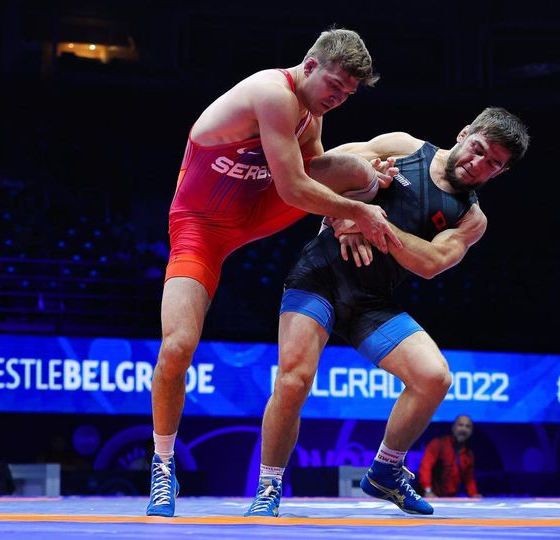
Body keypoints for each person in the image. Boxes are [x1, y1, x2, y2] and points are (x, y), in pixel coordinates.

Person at [147, 27, 402, 517]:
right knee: (177, 346)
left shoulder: (311, 113)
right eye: (335, 85)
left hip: (253, 210)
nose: (338, 98)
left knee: (357, 169)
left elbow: (318, 172)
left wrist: (354, 202)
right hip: (200, 228)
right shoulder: (272, 92)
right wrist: (359, 211)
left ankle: (356, 212)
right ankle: (162, 466)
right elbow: (293, 190)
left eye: (348, 94)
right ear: (310, 65)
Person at [245, 107, 529, 516]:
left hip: (371, 301)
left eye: (493, 164)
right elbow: (315, 172)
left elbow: (430, 262)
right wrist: (342, 211)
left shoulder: (471, 219)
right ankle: (269, 486)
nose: (478, 163)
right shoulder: (403, 147)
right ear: (465, 132)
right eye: (479, 148)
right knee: (294, 380)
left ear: (500, 173)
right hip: (320, 277)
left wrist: (368, 220)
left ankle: (386, 470)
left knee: (433, 377)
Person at [418, 415, 480, 498]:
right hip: (431, 496)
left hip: (451, 499)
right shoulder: (438, 444)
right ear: (453, 427)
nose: (463, 429)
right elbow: (425, 468)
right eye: (460, 425)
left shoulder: (469, 453)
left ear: (471, 431)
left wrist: (474, 495)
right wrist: (428, 490)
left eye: (467, 426)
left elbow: (469, 479)